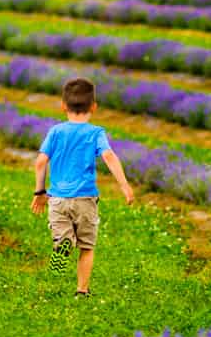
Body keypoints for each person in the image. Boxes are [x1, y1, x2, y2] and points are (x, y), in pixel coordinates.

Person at [31, 77, 134, 297]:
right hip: (85, 199)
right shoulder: (96, 133)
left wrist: (40, 192)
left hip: (57, 199)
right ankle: (81, 291)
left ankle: (63, 245)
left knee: (62, 237)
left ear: (63, 106)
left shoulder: (56, 132)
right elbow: (108, 156)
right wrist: (124, 185)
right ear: (94, 107)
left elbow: (40, 162)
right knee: (87, 247)